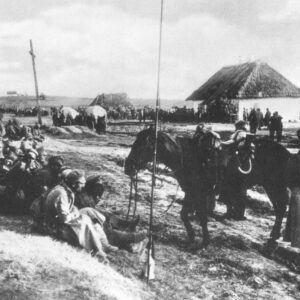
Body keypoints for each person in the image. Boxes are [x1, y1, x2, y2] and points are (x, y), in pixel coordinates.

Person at [43, 170, 115, 261]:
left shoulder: (66, 189)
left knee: (88, 211)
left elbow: (66, 209)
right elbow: (64, 218)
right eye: (82, 183)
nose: (84, 186)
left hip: (60, 218)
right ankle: (97, 250)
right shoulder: (62, 193)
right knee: (85, 220)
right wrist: (76, 214)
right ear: (74, 184)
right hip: (54, 226)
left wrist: (74, 211)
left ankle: (104, 244)